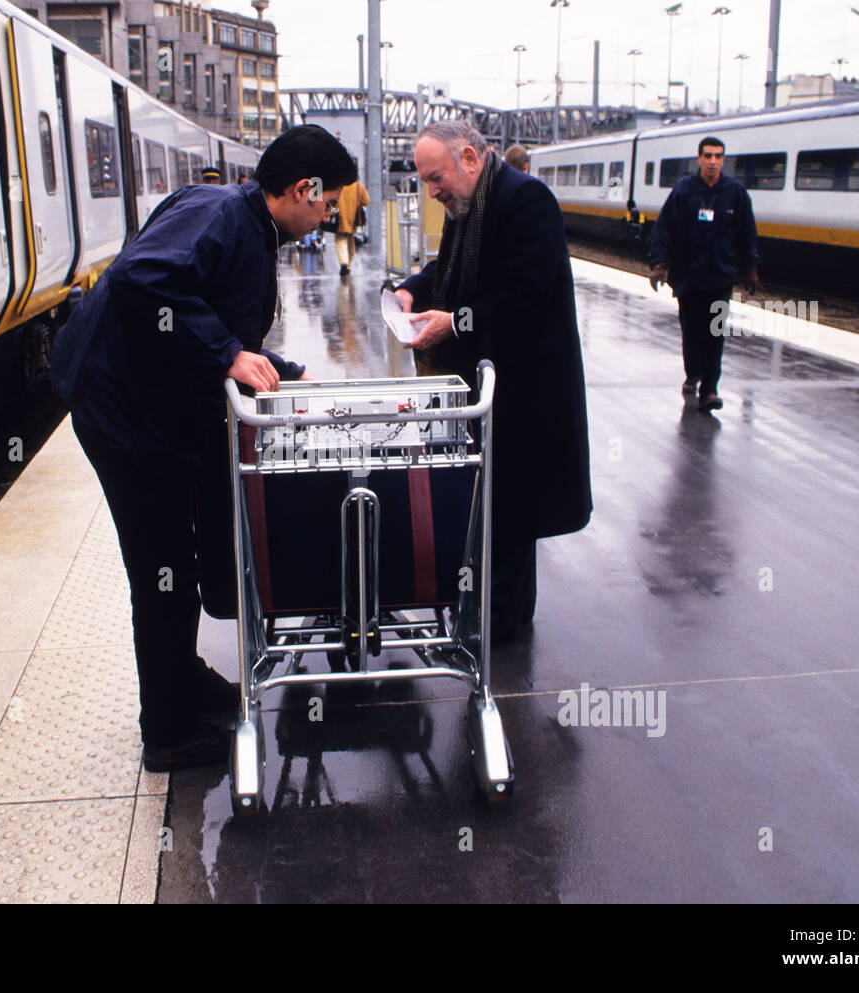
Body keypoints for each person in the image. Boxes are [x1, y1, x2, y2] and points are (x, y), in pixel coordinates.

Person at [50, 125, 357, 771]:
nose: (329, 216)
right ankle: (168, 732)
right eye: (328, 203)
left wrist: (282, 369)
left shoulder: (232, 212)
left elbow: (205, 313)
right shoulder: (227, 218)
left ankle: (181, 678)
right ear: (304, 188)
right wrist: (227, 353)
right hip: (125, 417)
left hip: (133, 403)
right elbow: (141, 280)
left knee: (175, 569)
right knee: (163, 573)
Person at [395, 120, 591, 644]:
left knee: (511, 510)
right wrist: (412, 290)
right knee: (486, 501)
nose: (432, 191)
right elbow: (450, 268)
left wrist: (453, 322)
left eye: (436, 178)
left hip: (525, 388)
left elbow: (525, 293)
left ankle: (501, 629)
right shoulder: (471, 204)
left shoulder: (528, 202)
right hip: (488, 383)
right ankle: (484, 614)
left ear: (469, 158)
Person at [647, 136, 761, 412]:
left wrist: (751, 268)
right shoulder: (684, 191)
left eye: (718, 156)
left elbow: (747, 233)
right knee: (692, 330)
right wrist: (658, 264)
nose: (713, 161)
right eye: (708, 156)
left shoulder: (735, 193)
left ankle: (710, 390)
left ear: (723, 160)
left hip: (720, 277)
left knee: (715, 332)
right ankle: (693, 373)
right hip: (688, 276)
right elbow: (664, 228)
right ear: (699, 158)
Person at [333, 177, 369, 275]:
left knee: (341, 240)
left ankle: (344, 263)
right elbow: (366, 201)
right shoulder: (358, 187)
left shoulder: (337, 186)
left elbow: (331, 201)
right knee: (350, 241)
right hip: (353, 220)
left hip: (340, 218)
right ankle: (348, 265)